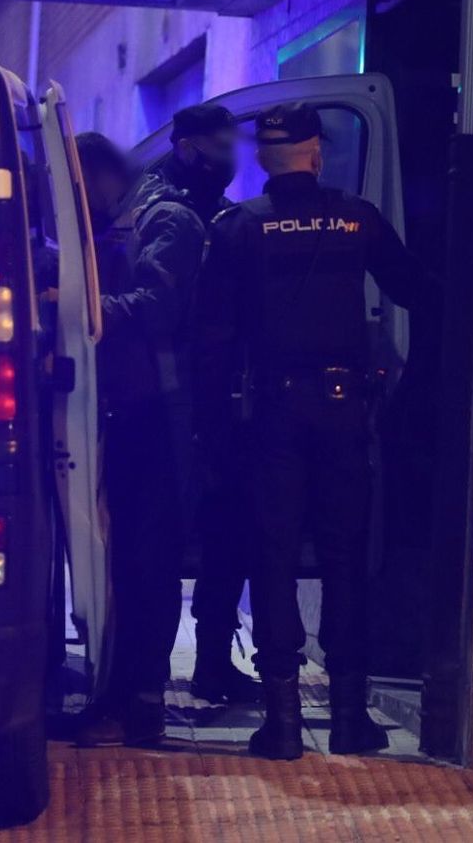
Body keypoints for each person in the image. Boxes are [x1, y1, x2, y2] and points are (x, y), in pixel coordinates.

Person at [193, 102, 436, 761]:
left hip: (272, 415)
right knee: (344, 556)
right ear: (316, 154)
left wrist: (211, 430)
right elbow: (417, 288)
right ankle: (352, 719)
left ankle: (283, 724)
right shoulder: (357, 216)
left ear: (265, 159)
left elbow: (211, 341)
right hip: (343, 410)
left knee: (272, 557)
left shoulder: (240, 226)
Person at [71, 107, 247, 747]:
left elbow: (157, 309)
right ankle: (119, 691)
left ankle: (143, 701)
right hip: (124, 410)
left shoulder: (164, 218)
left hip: (160, 417)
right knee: (122, 564)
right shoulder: (128, 215)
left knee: (151, 560)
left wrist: (78, 309)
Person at [123, 104, 262, 706]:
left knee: (224, 525)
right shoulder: (171, 211)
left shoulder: (203, 207)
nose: (228, 158)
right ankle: (146, 682)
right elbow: (163, 305)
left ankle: (208, 662)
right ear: (186, 147)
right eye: (217, 146)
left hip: (211, 390)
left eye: (233, 145)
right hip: (176, 394)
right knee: (170, 533)